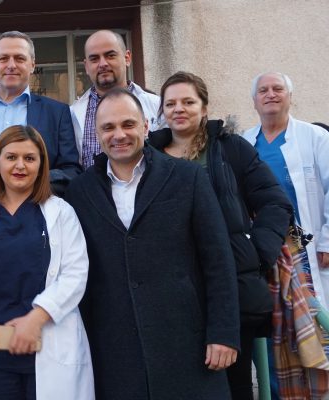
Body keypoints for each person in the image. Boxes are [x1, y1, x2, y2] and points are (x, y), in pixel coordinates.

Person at [64, 88, 240, 399]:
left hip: (188, 346)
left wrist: (223, 333)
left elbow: (218, 260)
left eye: (128, 124)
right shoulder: (80, 191)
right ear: (97, 133)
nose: (119, 134)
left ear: (146, 126)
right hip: (116, 355)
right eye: (108, 127)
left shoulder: (187, 177)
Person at [147, 71, 292, 400]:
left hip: (229, 289)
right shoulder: (150, 157)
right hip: (174, 291)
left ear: (204, 107)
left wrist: (255, 253)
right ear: (162, 111)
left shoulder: (230, 149)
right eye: (170, 103)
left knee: (233, 383)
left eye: (188, 102)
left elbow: (275, 203)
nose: (179, 109)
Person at [0, 125, 93, 400]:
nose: (20, 165)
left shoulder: (62, 214)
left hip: (49, 345)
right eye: (11, 157)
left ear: (41, 165)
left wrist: (36, 318)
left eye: (30, 158)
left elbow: (75, 274)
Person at [0, 31, 81, 194]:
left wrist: (33, 184)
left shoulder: (57, 113)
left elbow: (70, 170)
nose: (11, 65)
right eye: (3, 58)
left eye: (19, 58)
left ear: (32, 65)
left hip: (36, 206)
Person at [242, 72, 329, 307]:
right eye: (263, 91)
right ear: (254, 101)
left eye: (277, 89)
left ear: (290, 96)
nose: (270, 94)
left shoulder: (316, 137)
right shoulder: (245, 142)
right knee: (278, 309)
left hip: (305, 239)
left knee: (314, 310)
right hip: (265, 241)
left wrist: (327, 241)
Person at [71, 30, 164, 169]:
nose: (103, 63)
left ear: (127, 58)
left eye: (110, 55)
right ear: (86, 66)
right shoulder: (72, 113)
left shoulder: (158, 106)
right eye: (94, 59)